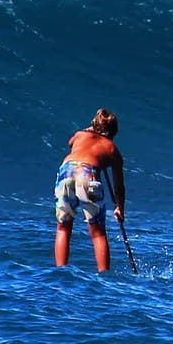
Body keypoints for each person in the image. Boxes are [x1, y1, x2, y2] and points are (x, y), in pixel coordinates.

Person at [53, 108, 126, 272]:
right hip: (89, 176)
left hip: (66, 173)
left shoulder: (80, 135)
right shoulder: (112, 149)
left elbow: (70, 143)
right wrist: (120, 208)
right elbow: (119, 185)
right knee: (98, 234)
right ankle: (103, 275)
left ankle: (60, 271)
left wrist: (90, 129)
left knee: (63, 228)